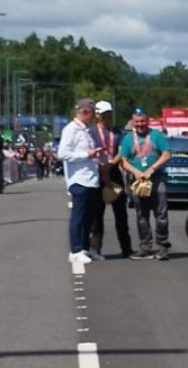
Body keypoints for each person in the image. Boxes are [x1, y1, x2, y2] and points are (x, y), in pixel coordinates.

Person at [116, 108, 172, 260]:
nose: (140, 125)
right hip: (138, 181)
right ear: (133, 122)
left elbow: (167, 154)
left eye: (142, 121)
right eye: (137, 122)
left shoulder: (156, 135)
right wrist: (136, 172)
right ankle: (145, 247)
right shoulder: (128, 138)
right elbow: (124, 160)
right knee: (142, 215)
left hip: (156, 179)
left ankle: (162, 246)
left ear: (147, 121)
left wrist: (152, 169)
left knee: (161, 214)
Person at [57, 99, 104, 264]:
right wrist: (86, 155)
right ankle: (75, 250)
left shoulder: (88, 130)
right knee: (78, 216)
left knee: (88, 218)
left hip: (91, 179)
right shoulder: (71, 130)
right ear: (84, 112)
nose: (93, 116)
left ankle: (85, 248)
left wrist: (95, 155)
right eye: (91, 112)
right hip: (79, 180)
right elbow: (62, 154)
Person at [89, 100, 132, 259]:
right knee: (97, 214)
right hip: (97, 173)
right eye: (105, 114)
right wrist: (101, 167)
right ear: (98, 115)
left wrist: (112, 163)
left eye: (110, 114)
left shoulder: (117, 132)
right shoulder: (91, 132)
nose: (108, 117)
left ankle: (126, 249)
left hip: (113, 171)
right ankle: (95, 249)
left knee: (121, 213)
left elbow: (122, 151)